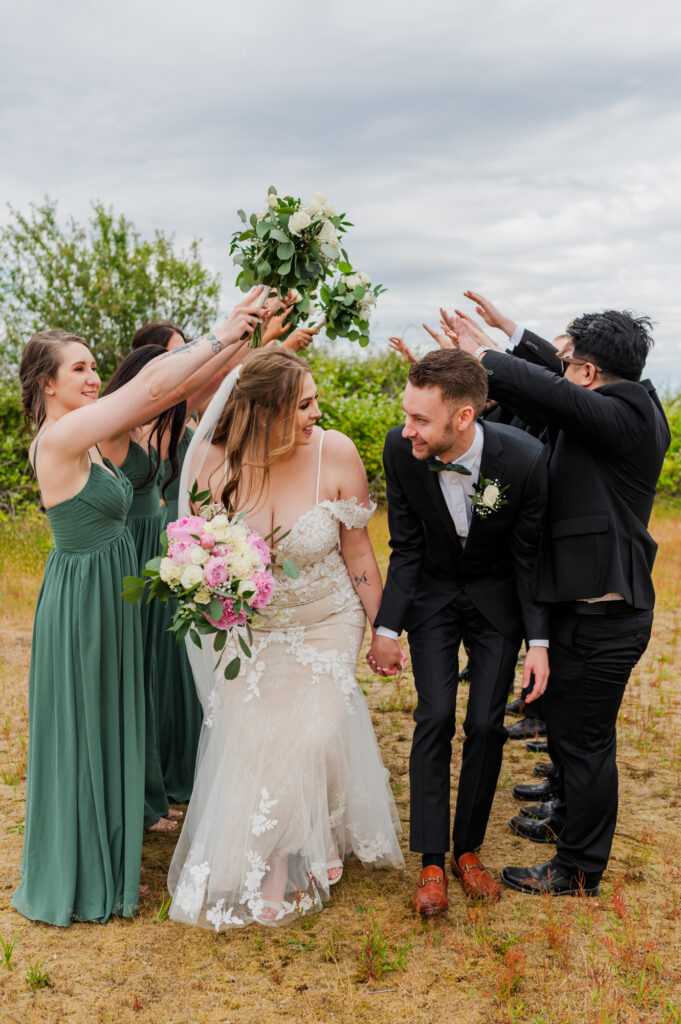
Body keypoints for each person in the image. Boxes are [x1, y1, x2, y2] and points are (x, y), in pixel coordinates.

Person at [11, 294, 263, 925]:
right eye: (80, 369)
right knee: (86, 726)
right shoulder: (62, 436)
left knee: (115, 718)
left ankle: (113, 855)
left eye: (95, 366)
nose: (95, 377)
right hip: (83, 600)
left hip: (112, 589)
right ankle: (81, 870)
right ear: (47, 384)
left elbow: (161, 397)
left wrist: (244, 340)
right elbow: (150, 381)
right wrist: (222, 329)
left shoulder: (93, 431)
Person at [167, 347, 404, 929]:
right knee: (254, 739)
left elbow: (358, 553)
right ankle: (281, 849)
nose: (316, 413)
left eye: (315, 399)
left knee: (311, 734)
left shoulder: (336, 452)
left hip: (328, 619)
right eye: (303, 404)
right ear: (264, 411)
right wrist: (213, 591)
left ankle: (278, 866)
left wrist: (384, 629)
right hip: (253, 631)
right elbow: (198, 550)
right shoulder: (214, 464)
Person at [451, 307, 670, 895]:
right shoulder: (611, 402)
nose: (563, 367)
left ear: (591, 372)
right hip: (578, 609)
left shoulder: (631, 415)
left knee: (586, 744)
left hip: (609, 617)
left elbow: (556, 390)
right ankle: (570, 831)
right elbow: (557, 385)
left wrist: (485, 360)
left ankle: (578, 870)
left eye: (573, 362)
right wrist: (512, 341)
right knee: (573, 738)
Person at [366, 348, 550, 915]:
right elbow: (407, 546)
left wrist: (538, 644)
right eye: (406, 413)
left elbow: (529, 559)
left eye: (421, 419)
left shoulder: (525, 459)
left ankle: (467, 850)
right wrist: (387, 626)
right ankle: (429, 858)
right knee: (435, 717)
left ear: (464, 416)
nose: (407, 428)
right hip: (435, 599)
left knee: (485, 724)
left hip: (497, 605)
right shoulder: (401, 452)